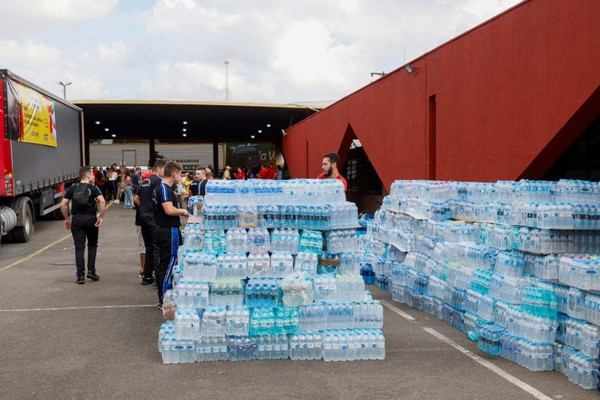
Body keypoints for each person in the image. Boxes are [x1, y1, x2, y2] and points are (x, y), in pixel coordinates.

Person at [60, 166, 106, 284]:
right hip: (91, 219)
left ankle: (80, 275)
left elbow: (62, 204)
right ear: (88, 175)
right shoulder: (93, 188)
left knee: (79, 247)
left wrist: (67, 218)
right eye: (92, 174)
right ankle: (91, 270)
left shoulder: (72, 188)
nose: (93, 176)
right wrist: (101, 216)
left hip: (77, 219)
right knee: (92, 245)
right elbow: (102, 201)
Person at [153, 161, 190, 306]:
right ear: (174, 174)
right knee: (170, 264)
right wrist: (182, 211)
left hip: (166, 229)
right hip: (168, 230)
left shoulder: (165, 188)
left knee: (168, 263)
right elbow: (169, 210)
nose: (181, 177)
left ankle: (165, 297)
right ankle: (165, 299)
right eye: (180, 174)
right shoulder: (163, 188)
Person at [134, 159, 167, 286]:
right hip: (153, 217)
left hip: (143, 217)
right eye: (164, 170)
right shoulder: (159, 181)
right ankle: (158, 278)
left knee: (149, 247)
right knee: (157, 247)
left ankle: (147, 276)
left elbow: (136, 199)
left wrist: (144, 208)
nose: (165, 173)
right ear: (158, 168)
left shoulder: (144, 182)